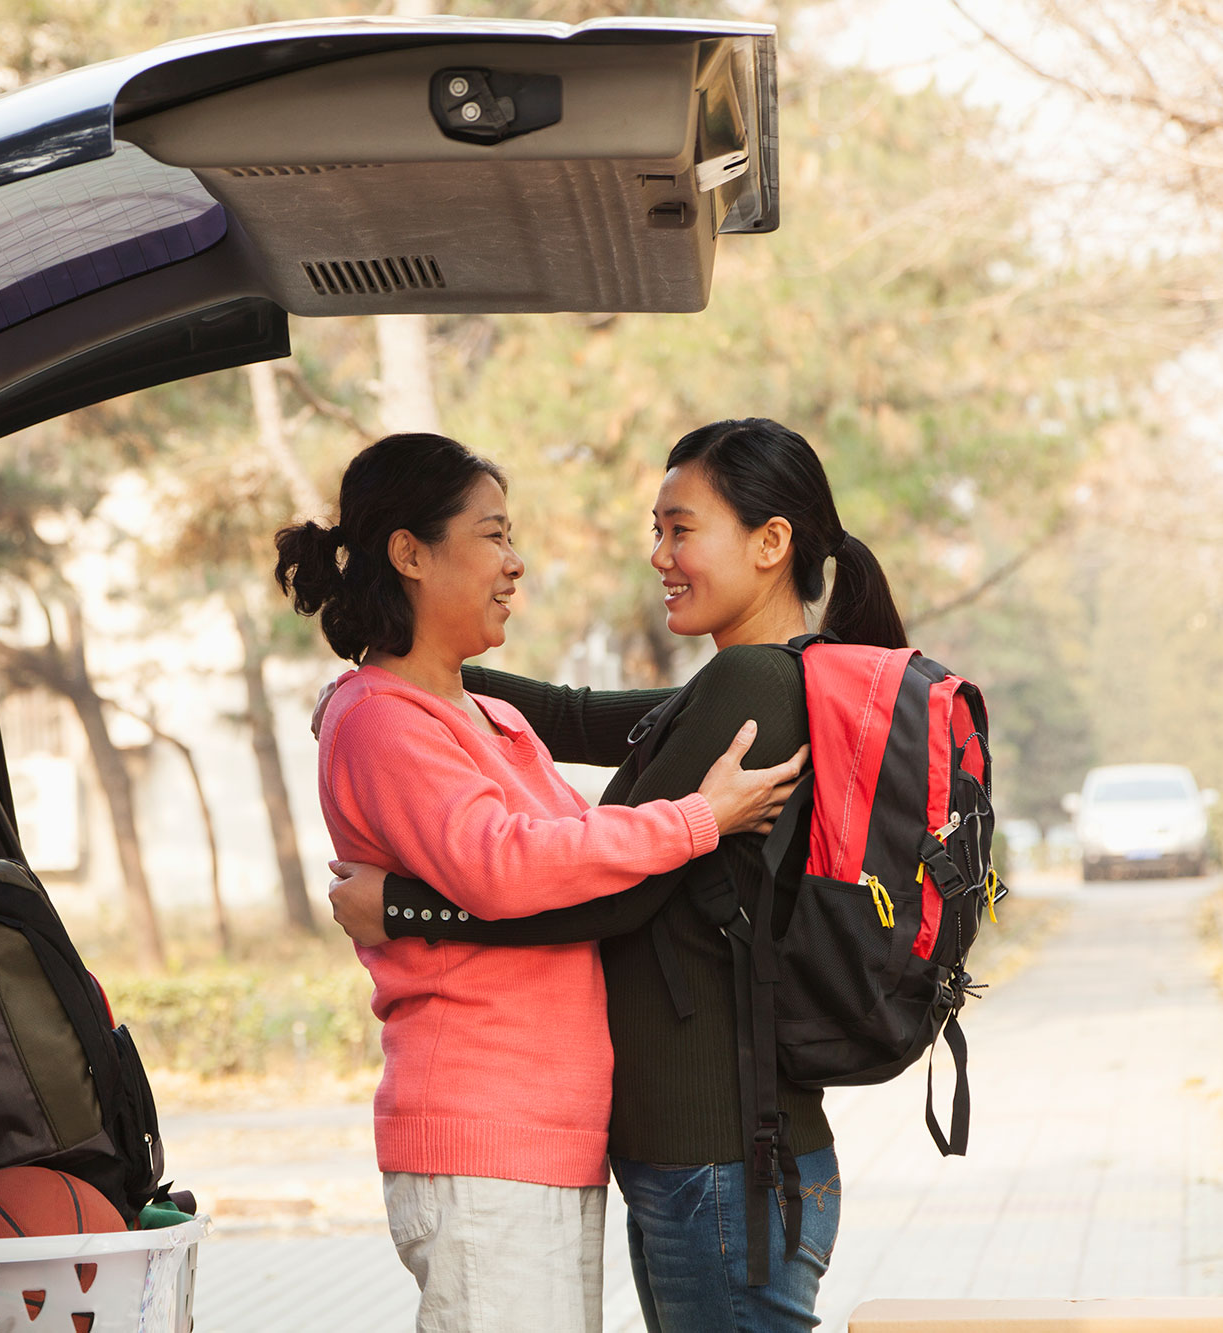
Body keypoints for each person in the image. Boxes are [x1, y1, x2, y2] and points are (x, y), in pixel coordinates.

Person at [327, 417, 911, 1333]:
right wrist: (412, 668)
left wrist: (402, 905)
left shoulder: (752, 688)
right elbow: (580, 715)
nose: (659, 555)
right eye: (657, 529)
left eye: (682, 529)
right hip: (703, 1144)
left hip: (715, 1145)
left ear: (770, 542)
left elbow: (606, 892)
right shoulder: (770, 679)